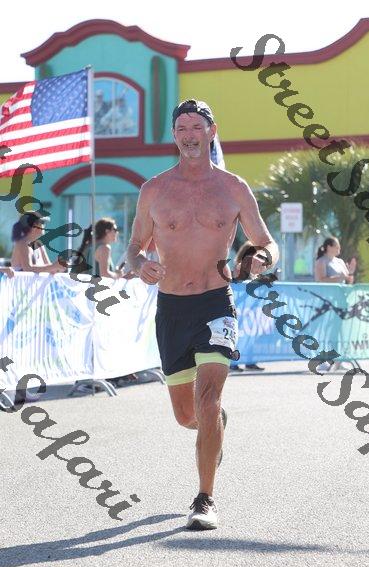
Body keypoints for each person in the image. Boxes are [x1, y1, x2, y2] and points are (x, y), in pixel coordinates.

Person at [127, 99, 279, 530]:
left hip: (216, 303)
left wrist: (262, 259)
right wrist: (140, 265)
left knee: (208, 399)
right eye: (182, 128)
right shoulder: (154, 190)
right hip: (172, 308)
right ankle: (213, 428)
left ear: (212, 132)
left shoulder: (233, 187)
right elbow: (134, 247)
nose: (189, 135)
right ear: (174, 135)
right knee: (187, 415)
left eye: (197, 127)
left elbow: (267, 241)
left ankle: (204, 498)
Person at [315, 237, 356, 372]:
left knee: (338, 330)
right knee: (326, 330)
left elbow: (347, 280)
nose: (339, 248)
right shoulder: (321, 261)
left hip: (340, 300)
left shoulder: (340, 262)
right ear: (329, 247)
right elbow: (321, 279)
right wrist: (341, 278)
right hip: (327, 301)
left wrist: (350, 275)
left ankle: (338, 360)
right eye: (336, 246)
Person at [230, 241, 267, 372]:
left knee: (251, 335)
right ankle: (233, 363)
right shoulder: (239, 266)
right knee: (237, 335)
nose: (258, 259)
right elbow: (239, 282)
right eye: (256, 255)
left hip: (250, 308)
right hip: (239, 307)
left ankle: (250, 361)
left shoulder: (253, 269)